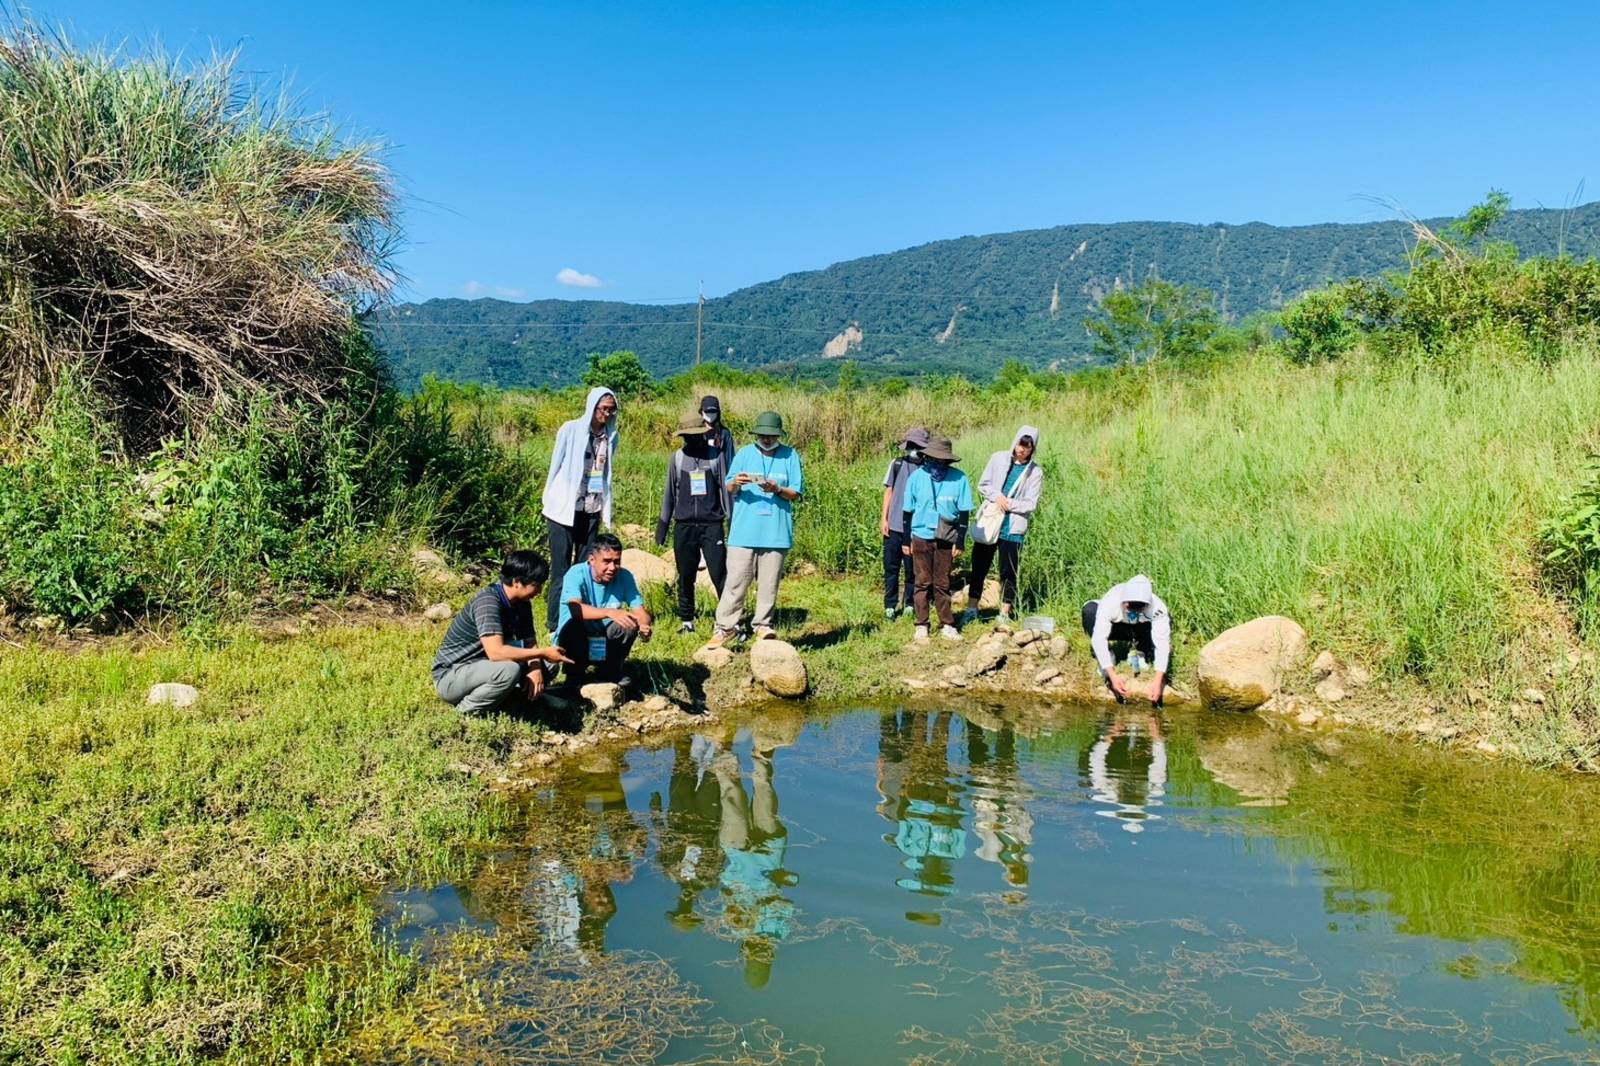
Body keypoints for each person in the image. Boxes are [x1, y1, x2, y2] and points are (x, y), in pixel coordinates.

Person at [431, 550, 573, 714]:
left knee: (547, 666)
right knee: (509, 670)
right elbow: (496, 653)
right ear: (517, 582)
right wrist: (543, 653)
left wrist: (535, 668)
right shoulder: (488, 602)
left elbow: (529, 641)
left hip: (485, 667)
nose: (540, 591)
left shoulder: (522, 602)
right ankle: (464, 711)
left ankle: (517, 701)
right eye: (536, 585)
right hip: (452, 676)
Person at [709, 411, 803, 646]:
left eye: (771, 435)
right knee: (736, 582)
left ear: (778, 435)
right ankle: (725, 627)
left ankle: (763, 625)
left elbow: (796, 492)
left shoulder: (790, 456)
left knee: (769, 584)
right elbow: (729, 487)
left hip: (776, 532)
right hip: (743, 532)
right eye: (763, 435)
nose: (767, 439)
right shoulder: (744, 454)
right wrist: (735, 483)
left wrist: (778, 489)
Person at [541, 386, 619, 632]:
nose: (606, 414)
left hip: (591, 509)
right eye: (602, 409)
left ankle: (581, 620)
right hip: (563, 511)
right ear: (592, 407)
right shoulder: (571, 429)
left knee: (586, 567)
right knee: (561, 570)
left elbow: (606, 475)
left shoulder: (611, 436)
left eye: (610, 410)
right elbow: (556, 465)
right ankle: (555, 623)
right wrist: (549, 498)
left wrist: (605, 511)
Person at [656, 412, 731, 634]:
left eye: (696, 435)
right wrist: (662, 527)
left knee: (719, 573)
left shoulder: (716, 457)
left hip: (711, 525)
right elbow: (669, 494)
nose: (692, 440)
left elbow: (725, 493)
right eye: (688, 436)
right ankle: (686, 620)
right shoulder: (677, 459)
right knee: (686, 575)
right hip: (684, 526)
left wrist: (732, 522)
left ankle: (728, 620)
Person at [964, 425, 1043, 625]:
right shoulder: (998, 458)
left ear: (1033, 448)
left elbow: (1030, 504)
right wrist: (997, 496)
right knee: (979, 566)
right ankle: (972, 608)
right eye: (1020, 444)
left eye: (1027, 446)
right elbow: (983, 484)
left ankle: (1005, 612)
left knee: (1009, 570)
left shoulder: (1035, 472)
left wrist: (1009, 504)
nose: (1021, 449)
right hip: (991, 523)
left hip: (1013, 527)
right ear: (1015, 441)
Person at [901, 435, 972, 642]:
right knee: (922, 581)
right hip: (921, 535)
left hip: (946, 537)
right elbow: (907, 511)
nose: (938, 464)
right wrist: (906, 540)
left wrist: (960, 541)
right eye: (934, 459)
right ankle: (921, 623)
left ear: (949, 461)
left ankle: (947, 624)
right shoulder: (916, 478)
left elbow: (965, 511)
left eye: (943, 460)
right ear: (927, 457)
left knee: (942, 582)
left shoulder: (959, 478)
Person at [556, 533, 652, 684]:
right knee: (574, 626)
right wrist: (609, 612)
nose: (612, 567)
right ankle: (574, 675)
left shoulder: (624, 576)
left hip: (604, 637)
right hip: (577, 638)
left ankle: (610, 671)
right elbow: (576, 610)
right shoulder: (576, 574)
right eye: (606, 561)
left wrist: (644, 625)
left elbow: (640, 611)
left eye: (616, 561)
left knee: (629, 624)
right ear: (592, 560)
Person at [1082, 574, 1171, 706]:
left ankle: (1141, 651)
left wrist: (1158, 681)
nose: (1132, 610)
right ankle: (1108, 657)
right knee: (1089, 611)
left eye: (1139, 608)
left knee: (1166, 621)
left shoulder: (1158, 608)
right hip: (1116, 628)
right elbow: (1099, 638)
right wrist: (1112, 675)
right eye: (1129, 607)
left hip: (1139, 628)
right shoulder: (1110, 601)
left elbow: (1162, 645)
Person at [880, 427, 930, 620]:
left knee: (912, 569)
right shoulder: (897, 464)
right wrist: (883, 518)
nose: (914, 450)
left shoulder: (927, 468)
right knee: (891, 567)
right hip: (893, 525)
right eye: (911, 446)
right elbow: (889, 491)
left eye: (917, 446)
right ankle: (890, 605)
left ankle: (909, 602)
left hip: (916, 529)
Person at [699, 394, 736, 467]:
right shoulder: (695, 432)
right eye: (707, 411)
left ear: (718, 412)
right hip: (700, 473)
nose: (710, 414)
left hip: (720, 473)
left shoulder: (725, 433)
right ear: (701, 412)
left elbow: (730, 458)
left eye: (713, 411)